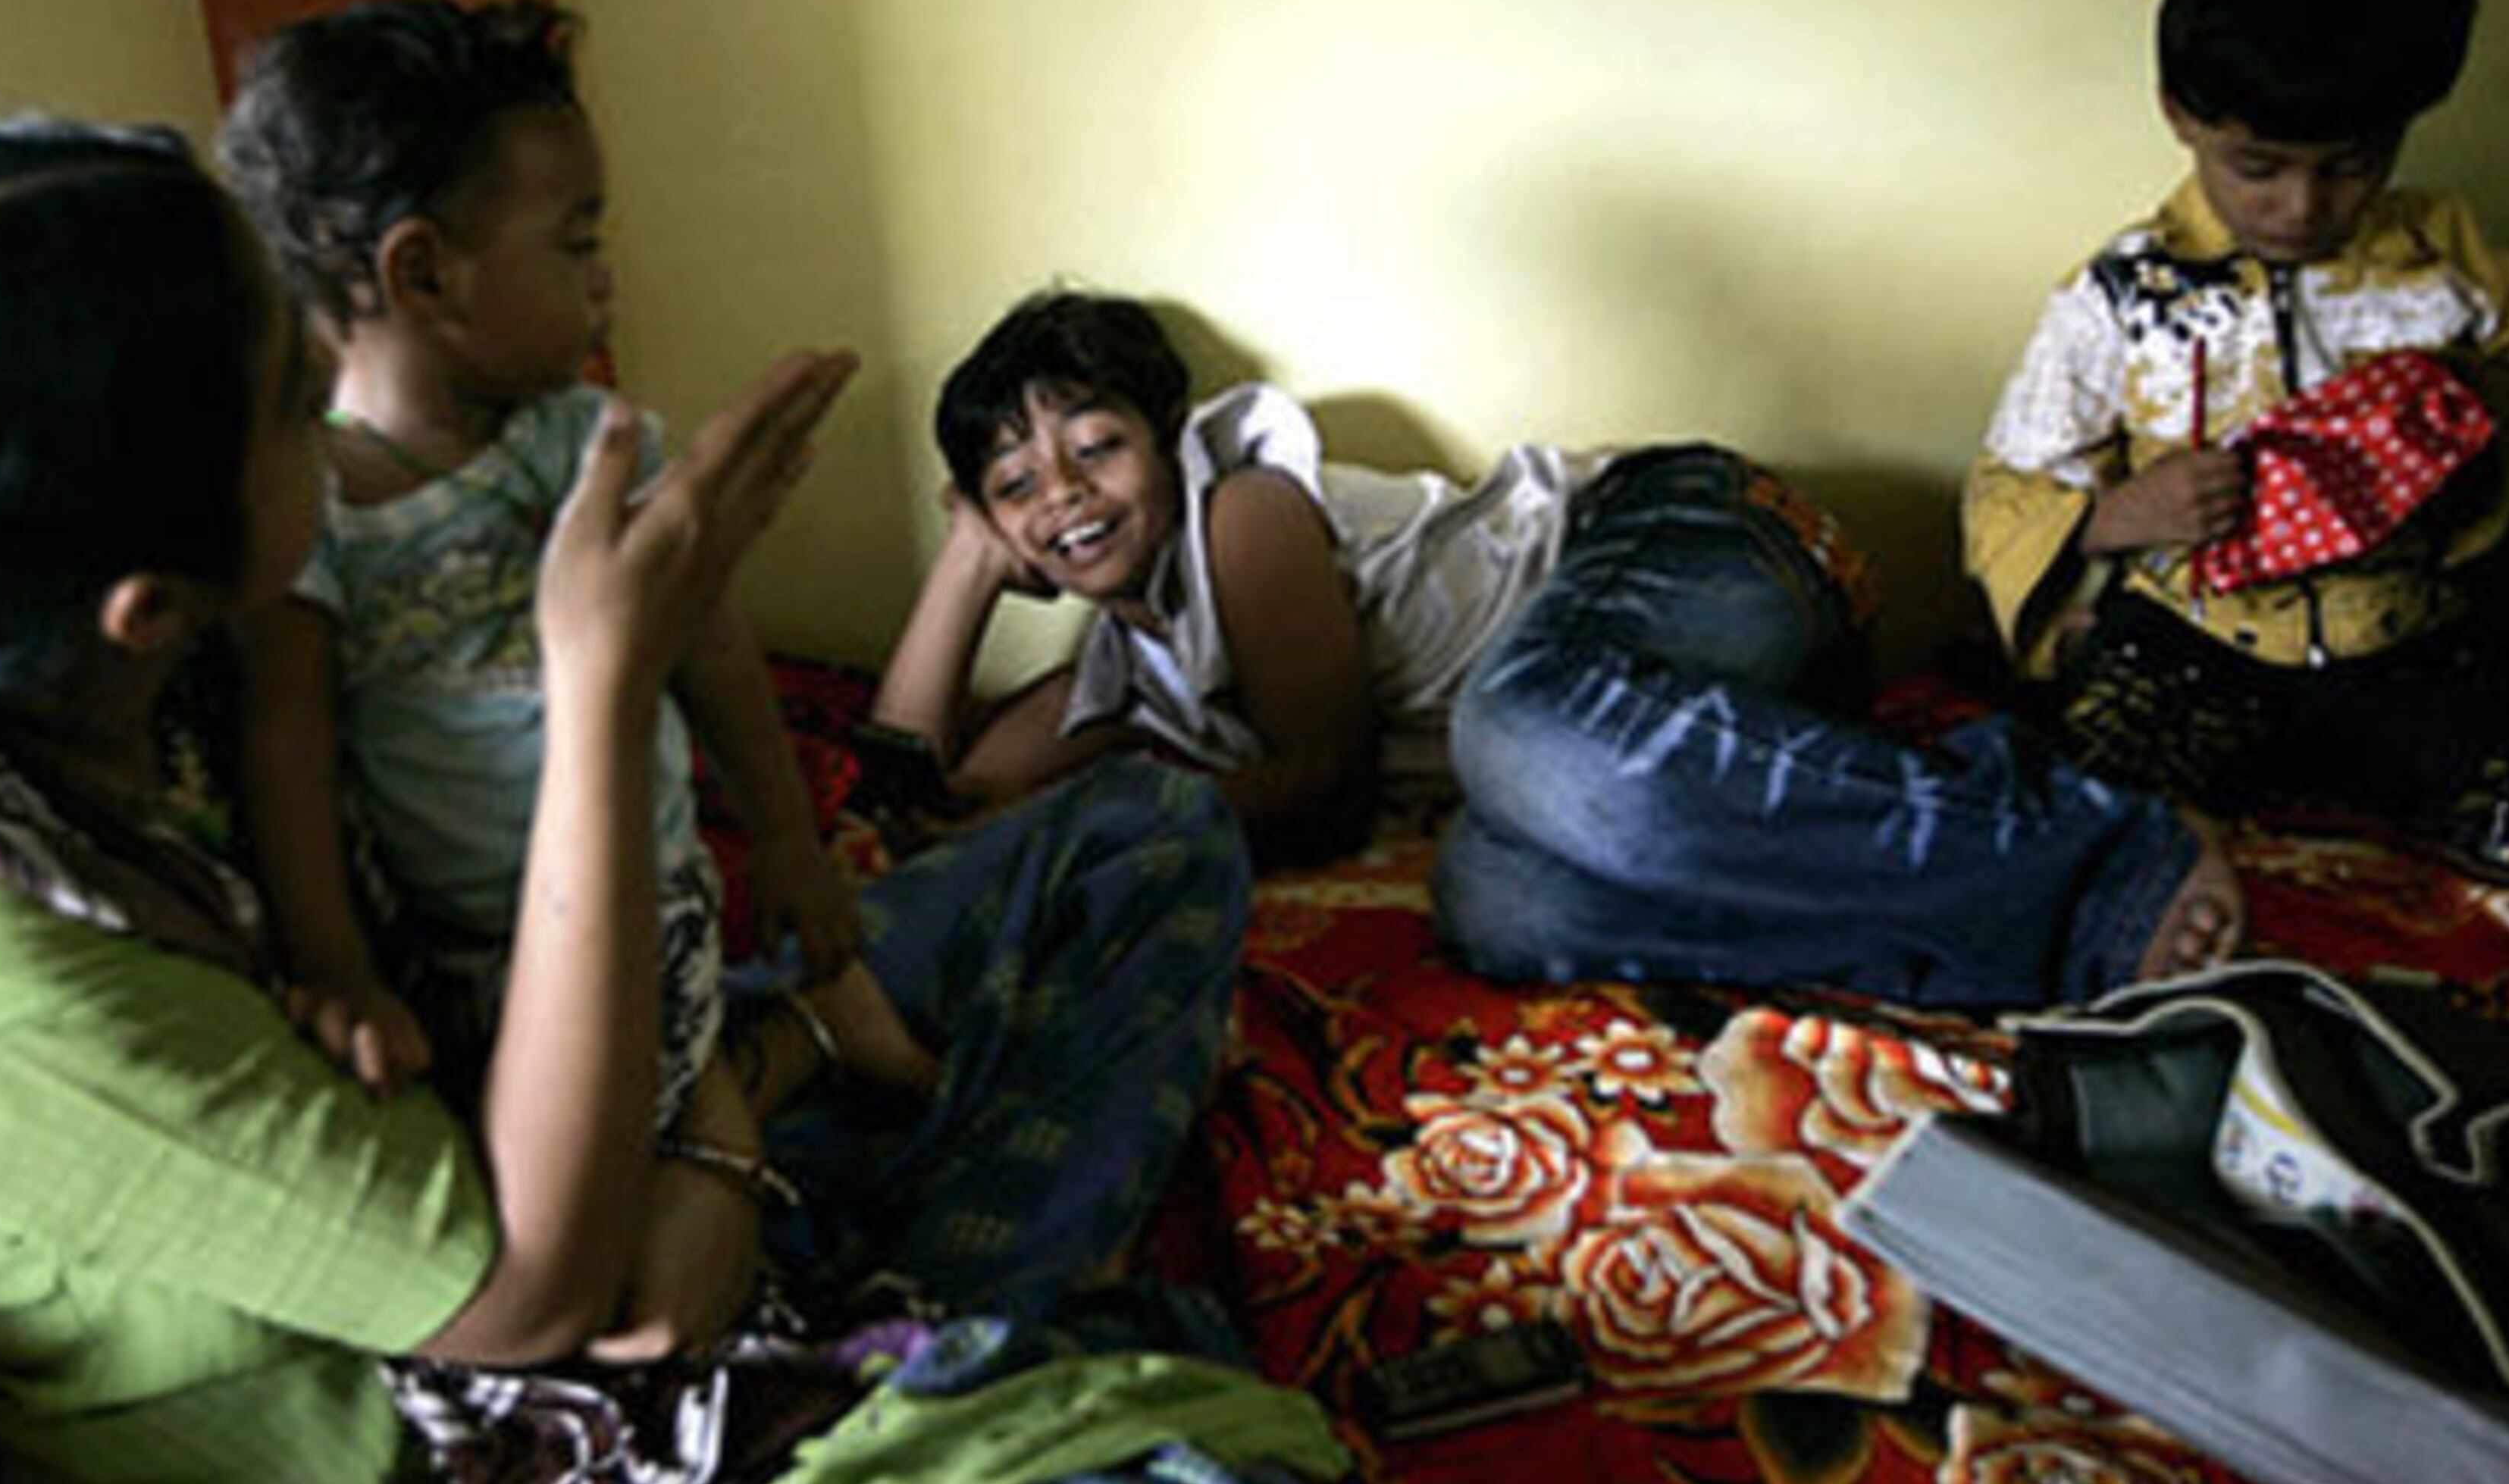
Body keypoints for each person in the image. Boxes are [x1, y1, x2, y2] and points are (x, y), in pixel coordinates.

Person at [0, 123, 1257, 1484]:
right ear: (148, 608)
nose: (355, 428)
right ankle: (953, 1325)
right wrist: (604, 687)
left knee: (1144, 826)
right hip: (500, 1447)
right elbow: (544, 1297)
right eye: (302, 405)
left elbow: (545, 897)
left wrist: (712, 1104)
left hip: (605, 1134)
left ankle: (902, 1283)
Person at [875, 290, 2240, 1012]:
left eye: (1095, 446)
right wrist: (967, 567)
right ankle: (2008, 912)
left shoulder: (1243, 508)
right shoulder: (1126, 673)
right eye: (1016, 482)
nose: (1061, 493)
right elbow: (927, 795)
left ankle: (2100, 846)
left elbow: (1321, 783)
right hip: (1677, 732)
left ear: (1164, 439)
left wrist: (1107, 802)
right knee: (1500, 906)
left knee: (1513, 725)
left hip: (1705, 535)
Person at [214, 0, 868, 1100]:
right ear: (423, 273)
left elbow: (708, 645)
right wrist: (338, 971)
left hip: (653, 899)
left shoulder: (592, 444)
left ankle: (790, 1047)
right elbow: (288, 750)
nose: (606, 279)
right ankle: (807, 1047)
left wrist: (791, 840)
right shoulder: (311, 503)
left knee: (666, 1142)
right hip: (470, 955)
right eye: (578, 244)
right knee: (628, 1198)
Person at [1964, 0, 2509, 834]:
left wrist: (2488, 413)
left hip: (2414, 636)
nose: (2301, 206)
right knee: (2079, 821)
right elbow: (2008, 489)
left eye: (2351, 165)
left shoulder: (2455, 264)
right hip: (2194, 642)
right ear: (2182, 114)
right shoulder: (2117, 299)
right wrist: (2117, 516)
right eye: (2259, 167)